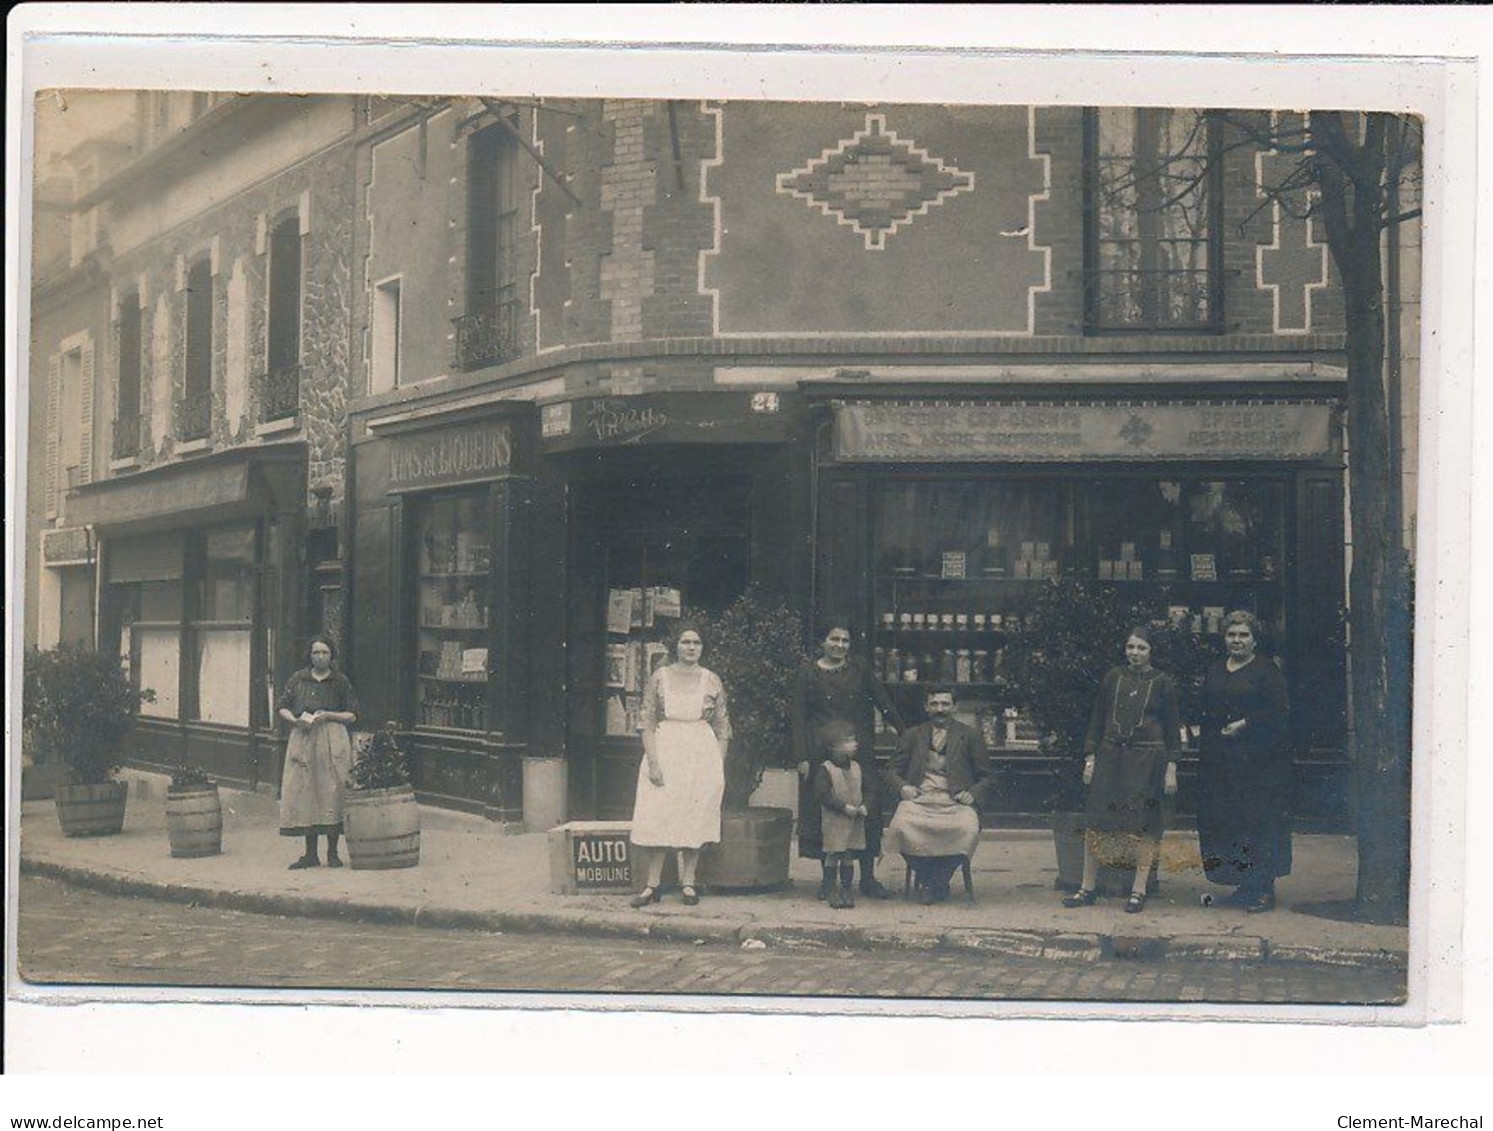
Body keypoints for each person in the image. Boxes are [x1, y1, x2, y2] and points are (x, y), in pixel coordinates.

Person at [1062, 626, 1181, 914]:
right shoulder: (1113, 678)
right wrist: (1090, 758)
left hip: (1148, 760)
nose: (1135, 653)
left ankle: (1138, 890)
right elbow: (1098, 718)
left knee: (1144, 825)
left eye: (1141, 648)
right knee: (1097, 821)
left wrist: (1171, 769)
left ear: (1151, 651)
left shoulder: (1164, 683)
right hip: (1111, 757)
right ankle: (1086, 888)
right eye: (1130, 647)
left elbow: (1172, 731)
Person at [791, 620, 906, 900]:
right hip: (821, 752)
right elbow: (797, 716)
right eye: (834, 639)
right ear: (822, 641)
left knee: (865, 808)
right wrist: (802, 757)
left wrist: (905, 731)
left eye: (845, 640)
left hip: (858, 749)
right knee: (827, 812)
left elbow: (882, 700)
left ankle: (868, 878)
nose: (840, 645)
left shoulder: (859, 668)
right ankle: (828, 882)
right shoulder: (807, 673)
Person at [1197, 609, 1292, 913]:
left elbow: (1279, 713)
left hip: (1258, 762)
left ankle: (1263, 888)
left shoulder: (1267, 671)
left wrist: (1246, 724)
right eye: (1231, 634)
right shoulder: (1215, 669)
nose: (1236, 640)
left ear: (1254, 639)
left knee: (1258, 821)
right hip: (1221, 760)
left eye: (1243, 635)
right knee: (1228, 820)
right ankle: (1242, 884)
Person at [629, 624, 731, 908]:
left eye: (696, 643)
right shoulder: (659, 677)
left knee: (693, 815)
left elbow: (723, 727)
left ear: (702, 647)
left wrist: (717, 765)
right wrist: (654, 762)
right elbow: (646, 722)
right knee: (658, 815)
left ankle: (689, 883)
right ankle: (653, 885)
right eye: (686, 642)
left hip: (701, 752)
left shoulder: (711, 680)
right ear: (676, 646)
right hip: (666, 748)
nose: (691, 647)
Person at [883, 687, 989, 904]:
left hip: (955, 800)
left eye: (945, 704)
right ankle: (929, 878)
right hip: (920, 798)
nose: (939, 709)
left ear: (954, 707)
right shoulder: (913, 734)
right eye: (934, 704)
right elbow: (891, 770)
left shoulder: (969, 735)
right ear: (926, 707)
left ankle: (937, 879)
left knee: (967, 828)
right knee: (900, 827)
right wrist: (903, 787)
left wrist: (972, 793)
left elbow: (987, 776)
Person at [278, 634, 360, 870]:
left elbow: (353, 714)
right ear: (309, 655)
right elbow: (282, 706)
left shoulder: (340, 681)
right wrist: (294, 720)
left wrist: (330, 716)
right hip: (304, 737)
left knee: (332, 790)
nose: (320, 657)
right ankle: (310, 854)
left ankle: (332, 853)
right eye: (316, 652)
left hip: (332, 739)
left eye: (325, 652)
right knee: (306, 791)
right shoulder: (298, 679)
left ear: (331, 655)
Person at [813, 720, 869, 910]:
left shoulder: (857, 767)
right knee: (833, 853)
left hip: (854, 820)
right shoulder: (825, 769)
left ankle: (847, 889)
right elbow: (823, 794)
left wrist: (865, 805)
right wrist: (843, 807)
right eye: (848, 741)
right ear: (834, 747)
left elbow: (868, 789)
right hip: (834, 820)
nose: (854, 744)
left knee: (848, 854)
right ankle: (830, 889)